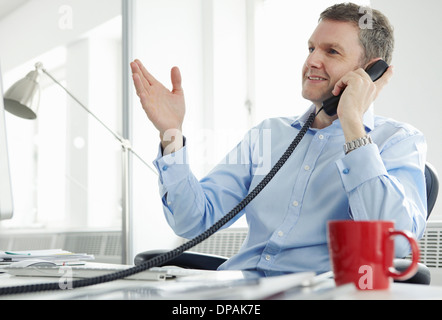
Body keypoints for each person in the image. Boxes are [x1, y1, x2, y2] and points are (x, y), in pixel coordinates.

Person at [130, 3, 427, 276]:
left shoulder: (398, 142)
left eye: (331, 52)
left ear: (370, 72)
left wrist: (352, 122)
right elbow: (192, 220)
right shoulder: (268, 134)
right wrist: (171, 134)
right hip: (238, 292)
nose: (312, 60)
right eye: (311, 48)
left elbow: (395, 246)